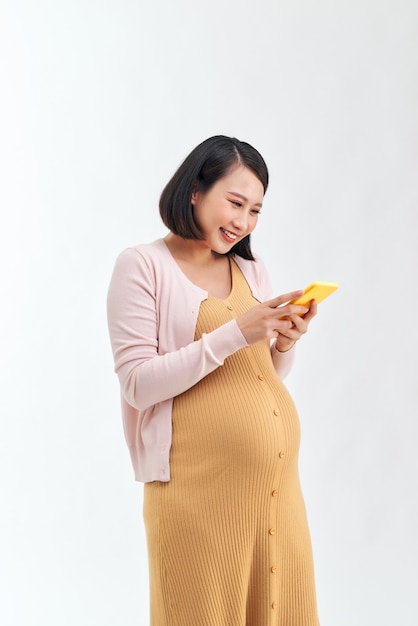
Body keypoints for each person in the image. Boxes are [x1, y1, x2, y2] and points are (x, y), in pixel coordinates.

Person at [107, 135, 320, 626]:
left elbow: (262, 371)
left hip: (275, 491)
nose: (243, 222)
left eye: (256, 210)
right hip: (195, 493)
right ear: (195, 191)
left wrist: (283, 343)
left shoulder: (250, 268)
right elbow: (137, 382)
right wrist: (235, 332)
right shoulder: (142, 266)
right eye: (235, 202)